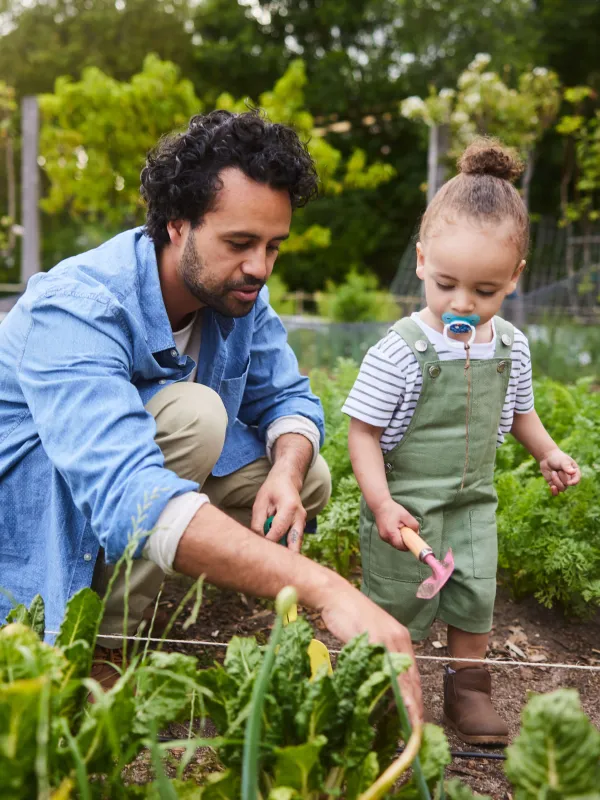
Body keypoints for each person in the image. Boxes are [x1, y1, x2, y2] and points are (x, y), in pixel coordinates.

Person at [0, 109, 422, 717]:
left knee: (307, 475)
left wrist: (285, 468)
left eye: (273, 246)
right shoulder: (81, 304)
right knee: (196, 416)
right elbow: (126, 492)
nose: (260, 267)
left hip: (132, 489)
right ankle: (99, 644)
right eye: (240, 243)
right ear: (177, 225)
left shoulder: (237, 293)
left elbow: (291, 399)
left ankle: (143, 589)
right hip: (40, 501)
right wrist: (325, 590)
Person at [343, 138, 581, 745]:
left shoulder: (511, 346)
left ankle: (468, 689)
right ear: (422, 260)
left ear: (514, 280)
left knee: (475, 593)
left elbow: (520, 412)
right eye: (447, 283)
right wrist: (379, 503)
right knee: (396, 602)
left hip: (474, 502)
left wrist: (548, 451)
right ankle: (382, 688)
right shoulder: (399, 350)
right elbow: (363, 431)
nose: (463, 303)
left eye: (486, 291)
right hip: (406, 507)